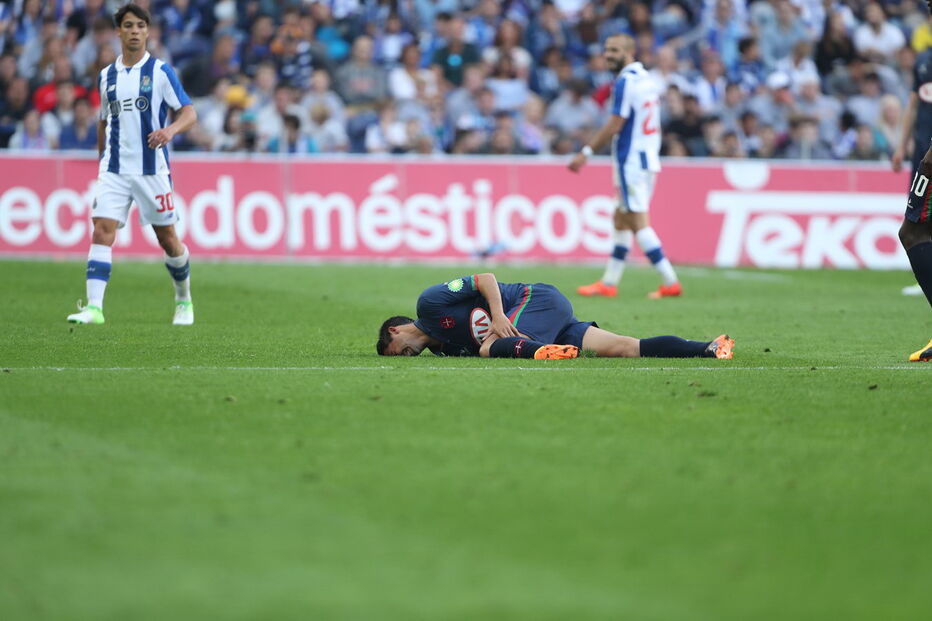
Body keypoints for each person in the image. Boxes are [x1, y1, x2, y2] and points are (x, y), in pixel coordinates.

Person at [67, 3, 197, 326]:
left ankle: (184, 300)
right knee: (101, 230)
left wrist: (169, 131)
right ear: (119, 32)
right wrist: (102, 165)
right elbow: (102, 122)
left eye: (140, 25)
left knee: (167, 238)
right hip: (114, 169)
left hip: (152, 170)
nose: (135, 31)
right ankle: (94, 309)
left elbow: (189, 112)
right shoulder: (106, 76)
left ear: (148, 31)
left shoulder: (161, 72)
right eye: (128, 26)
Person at [376, 273, 734, 360]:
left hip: (536, 298)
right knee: (623, 347)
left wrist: (499, 316)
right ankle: (709, 347)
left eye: (398, 350)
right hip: (550, 320)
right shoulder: (444, 349)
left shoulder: (429, 305)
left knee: (488, 349)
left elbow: (484, 278)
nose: (406, 355)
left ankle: (539, 352)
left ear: (395, 330)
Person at [568, 34, 681, 300]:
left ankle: (669, 280)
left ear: (629, 52)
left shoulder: (626, 81)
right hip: (646, 158)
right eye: (606, 50)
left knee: (636, 221)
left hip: (631, 162)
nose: (608, 55)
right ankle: (609, 282)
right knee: (620, 217)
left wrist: (586, 152)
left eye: (614, 50)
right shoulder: (646, 79)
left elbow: (616, 123)